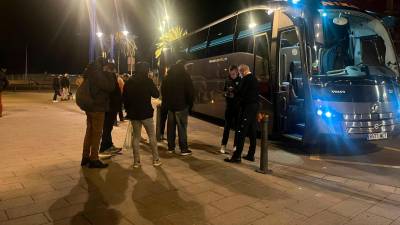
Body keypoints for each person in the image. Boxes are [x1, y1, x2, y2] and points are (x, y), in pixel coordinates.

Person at [123, 61, 161, 168]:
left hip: (134, 114)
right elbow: (156, 94)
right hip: (146, 113)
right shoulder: (148, 81)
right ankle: (156, 160)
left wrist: (128, 110)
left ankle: (136, 162)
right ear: (146, 70)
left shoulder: (129, 81)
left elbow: (124, 98)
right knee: (152, 136)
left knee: (136, 137)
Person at [81, 58, 116, 168]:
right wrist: (110, 74)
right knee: (97, 133)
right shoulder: (98, 74)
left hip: (90, 106)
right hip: (97, 107)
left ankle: (85, 157)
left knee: (89, 132)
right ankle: (94, 159)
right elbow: (110, 87)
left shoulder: (90, 72)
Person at [225, 64, 259, 163]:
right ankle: (251, 154)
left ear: (243, 71)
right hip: (255, 108)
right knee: (252, 132)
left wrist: (233, 90)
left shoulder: (246, 79)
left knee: (241, 131)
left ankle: (236, 156)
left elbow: (240, 92)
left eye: (239, 73)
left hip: (247, 108)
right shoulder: (254, 79)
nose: (239, 75)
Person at [161, 61, 194, 155]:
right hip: (181, 106)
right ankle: (183, 149)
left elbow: (163, 91)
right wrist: (189, 104)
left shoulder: (167, 77)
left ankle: (171, 148)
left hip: (171, 107)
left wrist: (166, 103)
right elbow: (190, 92)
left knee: (170, 128)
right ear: (182, 66)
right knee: (182, 128)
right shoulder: (185, 76)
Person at [99, 63, 123, 156]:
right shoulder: (109, 77)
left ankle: (109, 145)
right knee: (107, 128)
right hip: (110, 107)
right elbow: (114, 93)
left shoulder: (104, 78)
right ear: (112, 70)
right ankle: (104, 148)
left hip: (108, 106)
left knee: (108, 127)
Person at [220, 65, 241, 154]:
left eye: (233, 74)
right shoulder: (227, 80)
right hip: (229, 107)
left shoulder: (240, 80)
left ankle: (235, 146)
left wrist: (234, 91)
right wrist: (226, 94)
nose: (231, 75)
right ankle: (223, 145)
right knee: (227, 127)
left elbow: (242, 93)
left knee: (237, 128)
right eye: (230, 73)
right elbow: (224, 91)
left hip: (238, 108)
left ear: (237, 72)